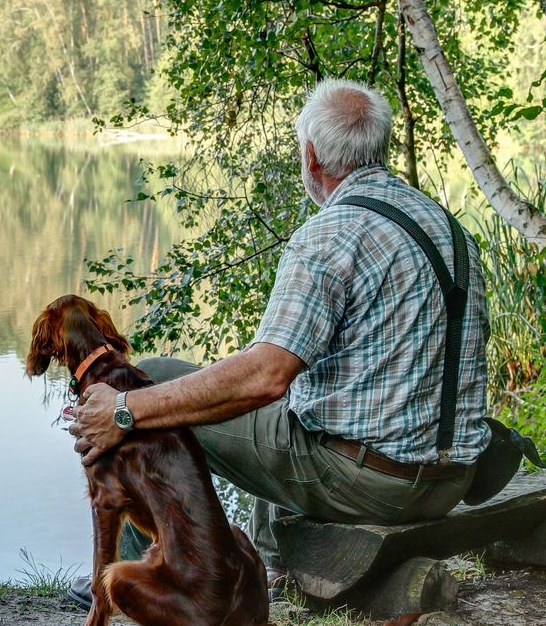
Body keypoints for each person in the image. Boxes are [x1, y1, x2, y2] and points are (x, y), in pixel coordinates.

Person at [67, 76, 490, 595]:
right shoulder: (448, 227)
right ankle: (269, 566)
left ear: (311, 157)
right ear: (377, 150)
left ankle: (141, 578)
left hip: (377, 485)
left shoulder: (332, 233)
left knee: (149, 379)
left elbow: (265, 377)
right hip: (451, 481)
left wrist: (125, 409)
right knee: (288, 403)